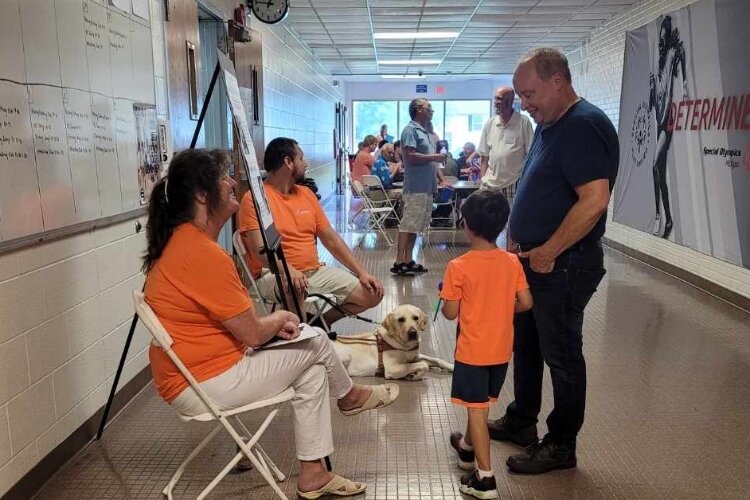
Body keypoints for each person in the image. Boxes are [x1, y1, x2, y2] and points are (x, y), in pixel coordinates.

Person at [142, 148, 399, 498]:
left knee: (310, 366)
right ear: (203, 195)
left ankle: (313, 475)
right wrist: (279, 318)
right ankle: (349, 396)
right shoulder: (202, 253)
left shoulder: (183, 242)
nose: (233, 182)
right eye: (223, 177)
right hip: (204, 381)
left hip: (194, 372)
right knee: (315, 342)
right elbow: (250, 333)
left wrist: (276, 326)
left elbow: (240, 328)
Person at [489, 48, 619, 474]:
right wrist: (516, 238)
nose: (525, 104)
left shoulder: (584, 125)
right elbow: (535, 184)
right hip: (530, 260)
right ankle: (522, 421)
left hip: (563, 265)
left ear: (558, 81)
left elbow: (594, 200)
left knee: (561, 354)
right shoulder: (549, 124)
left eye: (530, 94)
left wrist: (549, 250)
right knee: (526, 344)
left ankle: (561, 444)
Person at [441, 189, 533, 499]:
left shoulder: (458, 267)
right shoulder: (511, 262)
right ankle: (466, 449)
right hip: (500, 350)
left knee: (476, 412)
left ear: (465, 224)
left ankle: (485, 478)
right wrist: (500, 307)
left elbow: (450, 313)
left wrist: (448, 295)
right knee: (479, 403)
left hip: (472, 351)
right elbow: (525, 302)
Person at [239, 138, 384, 327]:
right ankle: (299, 338)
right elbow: (260, 252)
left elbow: (331, 239)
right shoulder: (254, 200)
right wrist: (289, 271)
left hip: (314, 271)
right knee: (293, 286)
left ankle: (319, 324)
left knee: (372, 294)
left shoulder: (306, 194)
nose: (305, 164)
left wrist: (362, 272)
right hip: (274, 276)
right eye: (301, 158)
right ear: (288, 162)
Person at [392, 99, 447, 277]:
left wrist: (441, 177)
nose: (432, 111)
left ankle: (408, 260)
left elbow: (432, 161)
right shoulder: (410, 130)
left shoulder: (426, 132)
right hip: (415, 186)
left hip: (426, 186)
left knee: (416, 226)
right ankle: (400, 262)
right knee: (408, 224)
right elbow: (411, 157)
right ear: (418, 110)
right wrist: (434, 157)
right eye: (429, 108)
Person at [649, 15, 687, 239]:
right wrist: (652, 87)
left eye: (664, 40)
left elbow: (681, 54)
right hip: (659, 121)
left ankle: (657, 216)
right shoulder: (657, 65)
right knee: (659, 174)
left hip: (668, 122)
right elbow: (653, 103)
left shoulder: (673, 54)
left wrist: (685, 82)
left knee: (655, 166)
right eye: (660, 43)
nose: (662, 46)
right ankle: (667, 218)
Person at [477, 86, 534, 207]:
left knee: (513, 223)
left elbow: (531, 156)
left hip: (514, 183)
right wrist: (483, 179)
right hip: (490, 184)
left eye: (499, 99)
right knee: (489, 222)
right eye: (495, 98)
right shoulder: (490, 123)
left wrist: (526, 181)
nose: (496, 102)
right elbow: (484, 156)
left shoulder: (523, 122)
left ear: (510, 101)